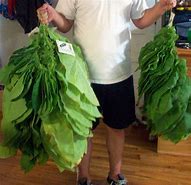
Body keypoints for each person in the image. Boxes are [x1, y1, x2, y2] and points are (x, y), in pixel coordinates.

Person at [37, 0, 176, 185]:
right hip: (82, 77)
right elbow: (66, 24)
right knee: (83, 130)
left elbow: (141, 20)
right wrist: (53, 15)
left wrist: (161, 7)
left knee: (117, 128)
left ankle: (115, 174)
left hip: (118, 73)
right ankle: (84, 177)